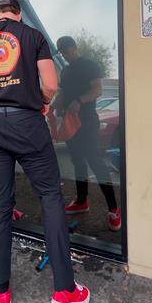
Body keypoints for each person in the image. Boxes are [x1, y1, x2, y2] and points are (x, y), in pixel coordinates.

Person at [0, 0, 90, 303]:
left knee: (0, 204)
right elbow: (51, 84)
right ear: (18, 14)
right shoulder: (32, 36)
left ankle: (0, 292)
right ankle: (65, 292)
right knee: (50, 196)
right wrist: (40, 102)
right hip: (28, 122)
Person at [54, 36, 121, 231]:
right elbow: (62, 94)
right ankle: (82, 201)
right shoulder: (65, 71)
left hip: (88, 121)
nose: (66, 55)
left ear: (75, 47)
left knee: (95, 162)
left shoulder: (89, 65)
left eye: (68, 50)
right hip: (70, 122)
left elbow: (97, 90)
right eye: (62, 52)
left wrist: (80, 101)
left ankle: (114, 208)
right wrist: (50, 106)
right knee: (77, 161)